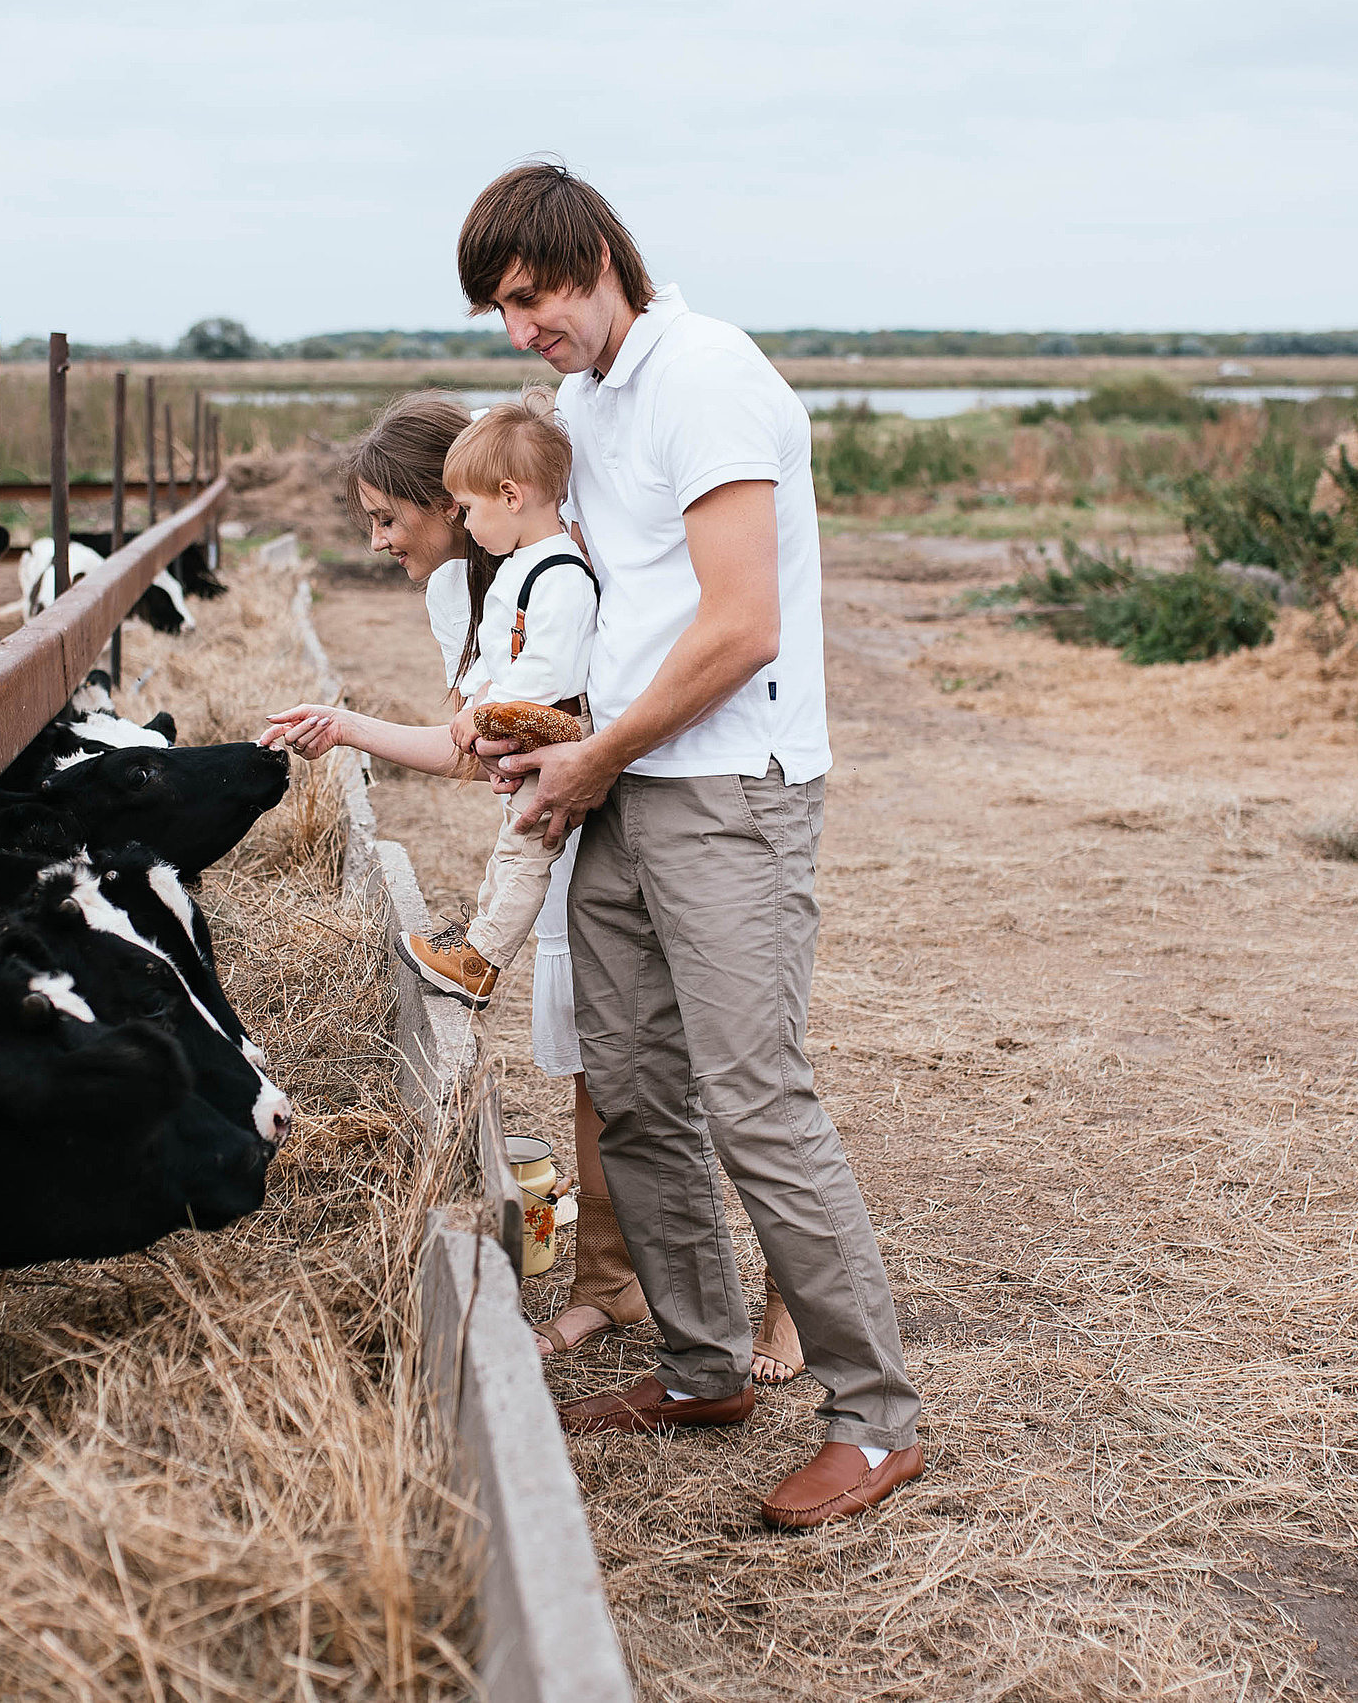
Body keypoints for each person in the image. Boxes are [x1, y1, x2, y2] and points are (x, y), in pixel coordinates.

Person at [460, 160, 923, 1528]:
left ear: (597, 258)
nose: (521, 332)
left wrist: (596, 753)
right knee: (634, 1091)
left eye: (532, 299)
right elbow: (618, 599)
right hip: (620, 780)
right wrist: (544, 723)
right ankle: (703, 1364)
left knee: (752, 1096)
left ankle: (874, 1418)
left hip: (727, 784)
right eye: (502, 312)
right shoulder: (587, 403)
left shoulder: (706, 374)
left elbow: (740, 624)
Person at [259, 393, 807, 1376]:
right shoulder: (467, 588)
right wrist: (343, 727)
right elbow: (468, 745)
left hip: (635, 795)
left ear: (455, 501)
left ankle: (788, 1287)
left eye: (389, 517)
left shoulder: (558, 564)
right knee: (606, 1059)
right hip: (563, 816)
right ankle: (612, 1277)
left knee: (721, 1055)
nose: (379, 541)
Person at [390, 390, 598, 1012]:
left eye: (468, 508)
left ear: (510, 497)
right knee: (512, 845)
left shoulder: (560, 574)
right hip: (525, 725)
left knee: (527, 850)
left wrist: (488, 711)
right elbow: (499, 650)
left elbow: (545, 670)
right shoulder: (522, 565)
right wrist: (480, 691)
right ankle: (474, 942)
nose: (466, 523)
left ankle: (483, 958)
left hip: (549, 728)